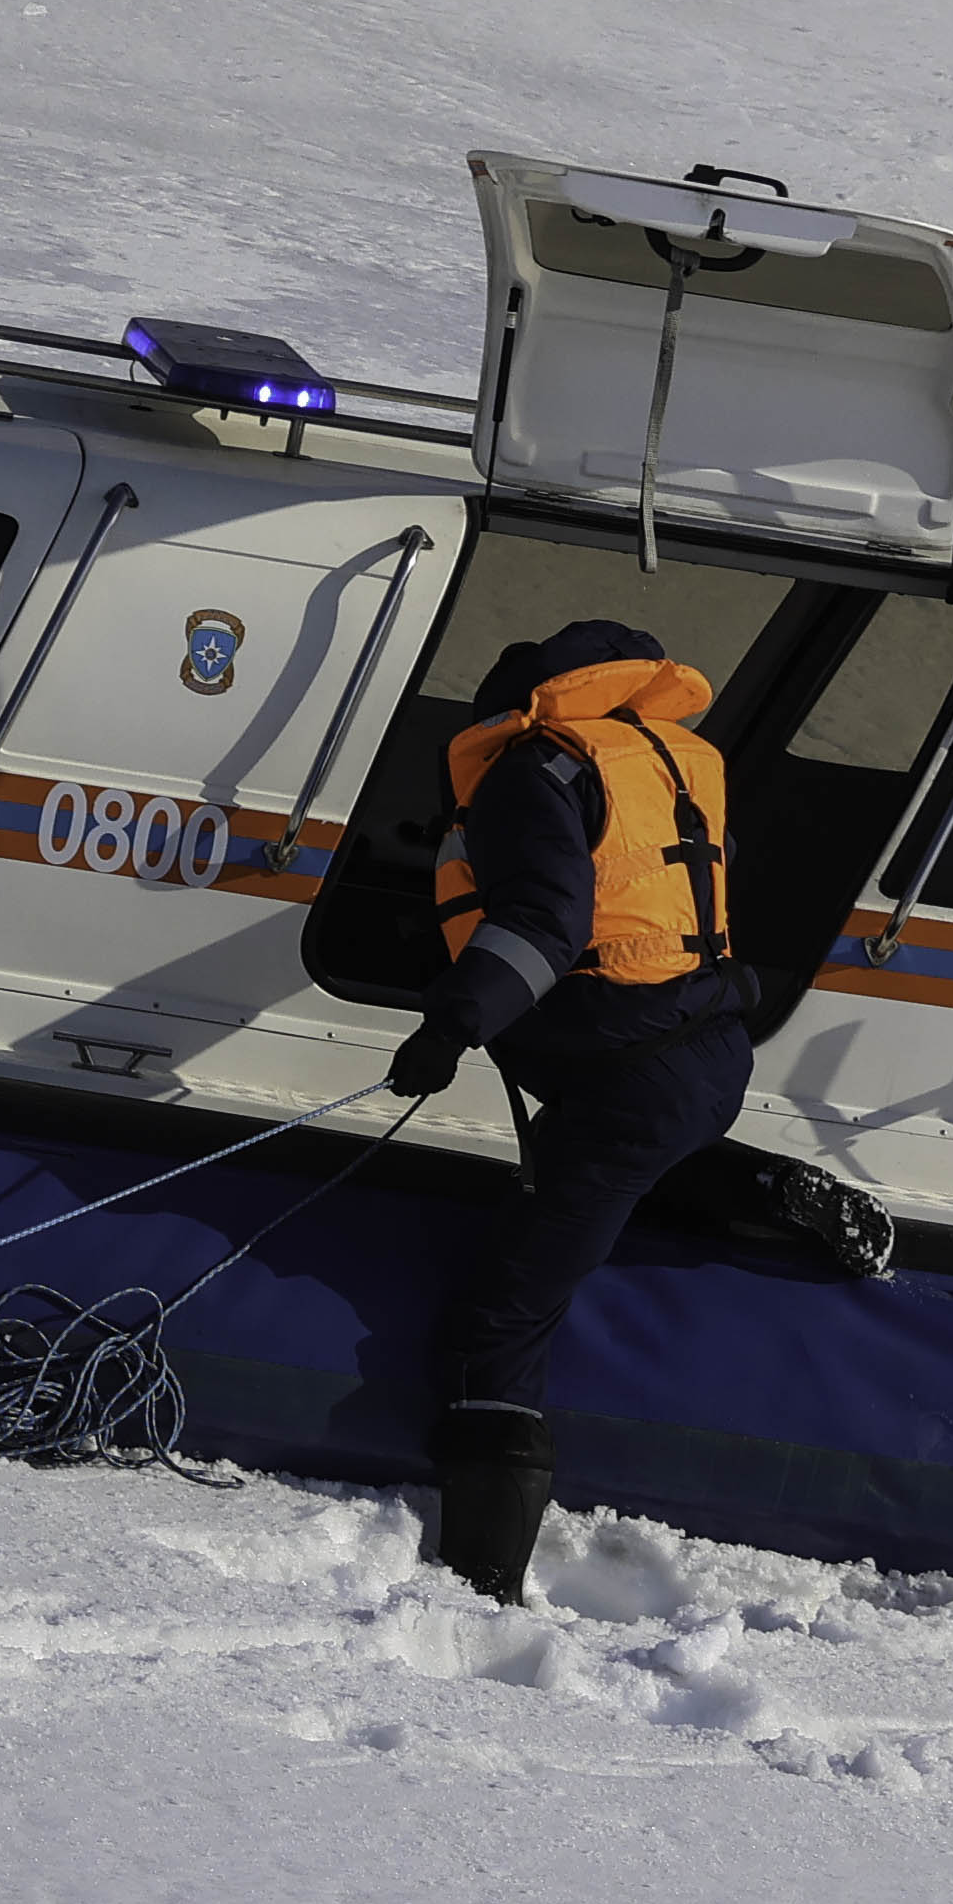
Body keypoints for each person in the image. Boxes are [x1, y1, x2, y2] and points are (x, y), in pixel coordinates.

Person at [384, 616, 751, 1600]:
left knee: (498, 1322)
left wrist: (451, 1025)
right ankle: (760, 1187)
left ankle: (480, 1586)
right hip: (705, 1051)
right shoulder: (666, 752)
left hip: (629, 1080)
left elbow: (547, 923)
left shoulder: (532, 771)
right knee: (612, 1174)